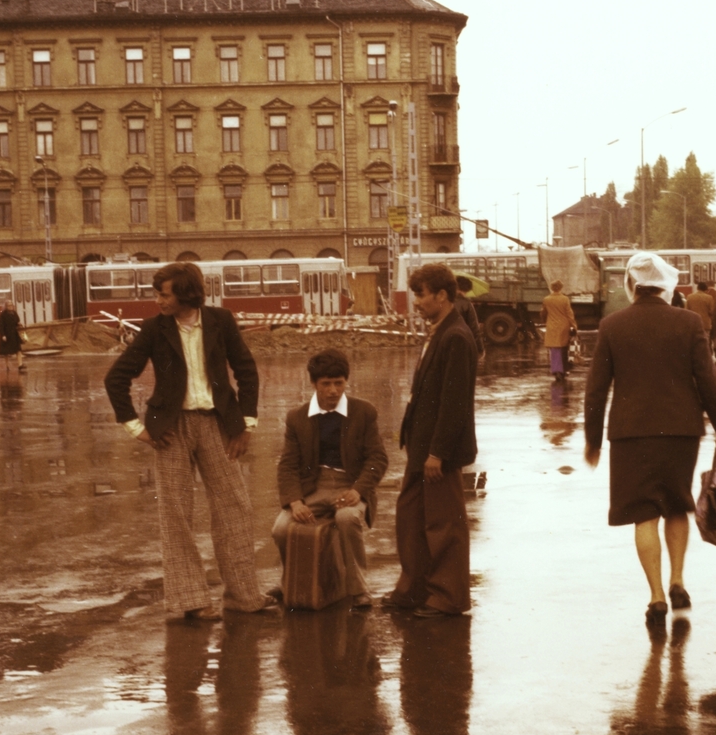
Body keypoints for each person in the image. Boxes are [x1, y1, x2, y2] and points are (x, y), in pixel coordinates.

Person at [104, 262, 277, 621]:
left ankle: (244, 597)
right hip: (170, 430)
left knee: (235, 507)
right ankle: (191, 601)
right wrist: (137, 428)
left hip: (217, 423)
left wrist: (245, 424)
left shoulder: (221, 321)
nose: (158, 300)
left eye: (163, 294)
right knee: (177, 515)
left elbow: (246, 370)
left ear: (185, 293)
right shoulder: (154, 329)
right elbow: (116, 377)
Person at [585, 253, 716, 626]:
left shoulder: (612, 325)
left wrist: (593, 440)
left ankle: (655, 595)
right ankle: (678, 579)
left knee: (643, 514)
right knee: (676, 505)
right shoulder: (688, 322)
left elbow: (596, 389)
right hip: (681, 431)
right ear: (666, 285)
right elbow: (709, 380)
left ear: (632, 285)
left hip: (630, 434)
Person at [387, 263, 479, 619]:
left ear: (442, 295)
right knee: (411, 518)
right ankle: (413, 590)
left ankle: (447, 597)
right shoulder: (440, 330)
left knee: (444, 525)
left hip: (437, 452)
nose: (417, 303)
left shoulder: (455, 336)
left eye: (422, 295)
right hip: (421, 448)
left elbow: (454, 403)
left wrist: (438, 453)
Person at [271, 348, 389, 608]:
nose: (333, 390)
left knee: (346, 518)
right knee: (280, 529)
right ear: (313, 384)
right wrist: (295, 502)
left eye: (339, 383)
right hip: (313, 487)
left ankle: (358, 588)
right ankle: (288, 581)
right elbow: (288, 465)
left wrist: (359, 491)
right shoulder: (297, 417)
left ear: (346, 381)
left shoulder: (364, 412)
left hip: (350, 485)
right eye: (326, 384)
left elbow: (377, 459)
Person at [541, 279, 575, 382]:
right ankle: (563, 370)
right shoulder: (565, 299)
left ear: (552, 288)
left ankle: (556, 370)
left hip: (552, 326)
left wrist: (544, 320)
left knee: (554, 349)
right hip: (563, 326)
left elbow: (543, 313)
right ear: (560, 288)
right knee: (563, 349)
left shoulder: (546, 299)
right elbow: (569, 314)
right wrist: (573, 326)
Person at [453, 276, 485, 360]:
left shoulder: (446, 302)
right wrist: (480, 349)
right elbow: (474, 329)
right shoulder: (467, 304)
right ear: (465, 289)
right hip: (462, 344)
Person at [685, 281, 716, 360]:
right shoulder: (709, 298)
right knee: (706, 340)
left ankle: (695, 356)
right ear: (705, 289)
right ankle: (705, 357)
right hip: (705, 323)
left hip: (692, 323)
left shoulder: (690, 297)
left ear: (697, 288)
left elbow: (686, 310)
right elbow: (712, 311)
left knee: (693, 340)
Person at [0, 299, 24, 370]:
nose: (10, 306)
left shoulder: (14, 313)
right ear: (6, 306)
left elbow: (17, 320)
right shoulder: (3, 314)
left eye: (11, 305)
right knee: (6, 352)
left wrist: (18, 324)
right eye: (9, 305)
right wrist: (3, 335)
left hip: (14, 334)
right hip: (7, 335)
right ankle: (7, 366)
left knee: (18, 350)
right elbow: (0, 326)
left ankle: (20, 365)